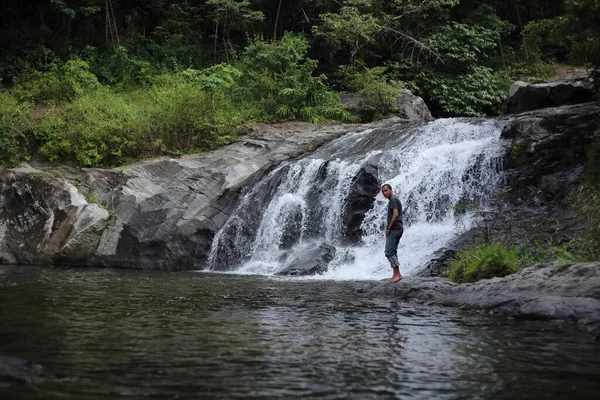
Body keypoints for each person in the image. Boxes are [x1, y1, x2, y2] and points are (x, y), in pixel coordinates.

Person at [381, 184, 403, 283]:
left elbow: (395, 214)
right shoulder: (393, 200)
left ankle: (397, 274)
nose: (384, 193)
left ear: (391, 190)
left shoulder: (393, 199)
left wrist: (389, 228)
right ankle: (396, 273)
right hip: (397, 228)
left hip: (395, 229)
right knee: (392, 251)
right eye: (383, 192)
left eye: (386, 191)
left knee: (389, 252)